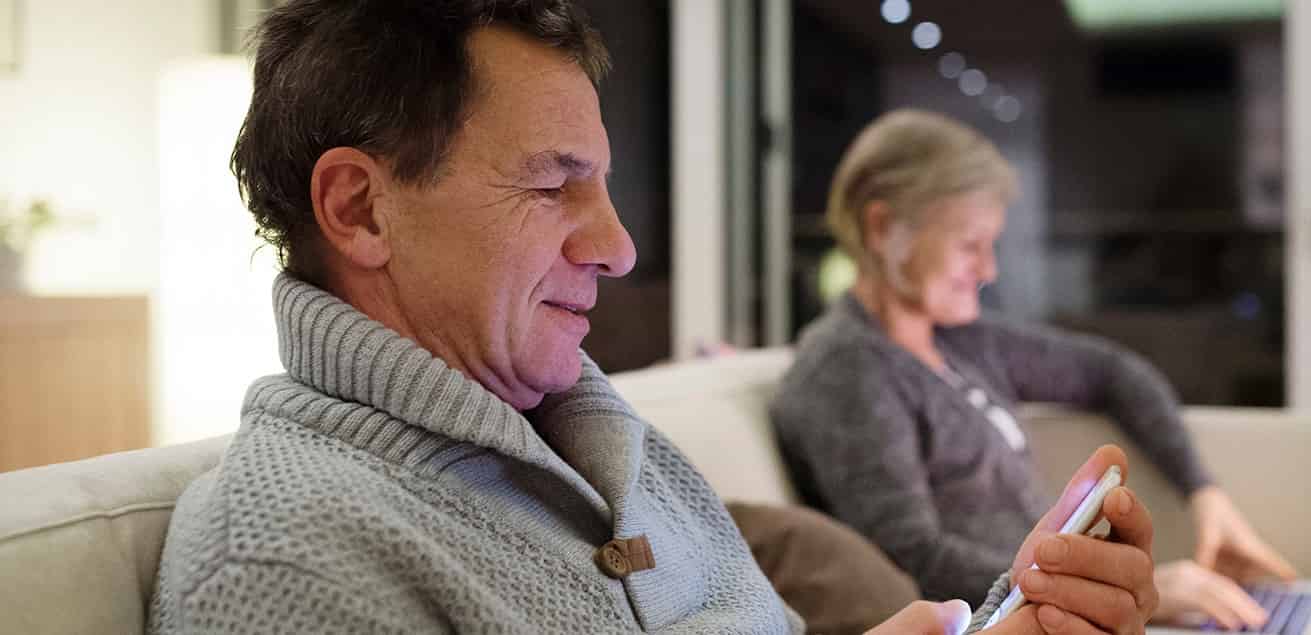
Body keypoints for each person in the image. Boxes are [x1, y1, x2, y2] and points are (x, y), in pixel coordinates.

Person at [147, 2, 1158, 633]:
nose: (620, 247)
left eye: (606, 186)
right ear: (361, 208)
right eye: (553, 189)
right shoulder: (283, 558)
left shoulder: (623, 447)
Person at [770, 110, 1311, 635]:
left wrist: (1206, 492)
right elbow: (913, 555)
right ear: (884, 225)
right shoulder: (846, 371)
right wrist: (1141, 586)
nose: (988, 269)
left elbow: (1114, 372)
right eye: (970, 244)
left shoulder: (962, 341)